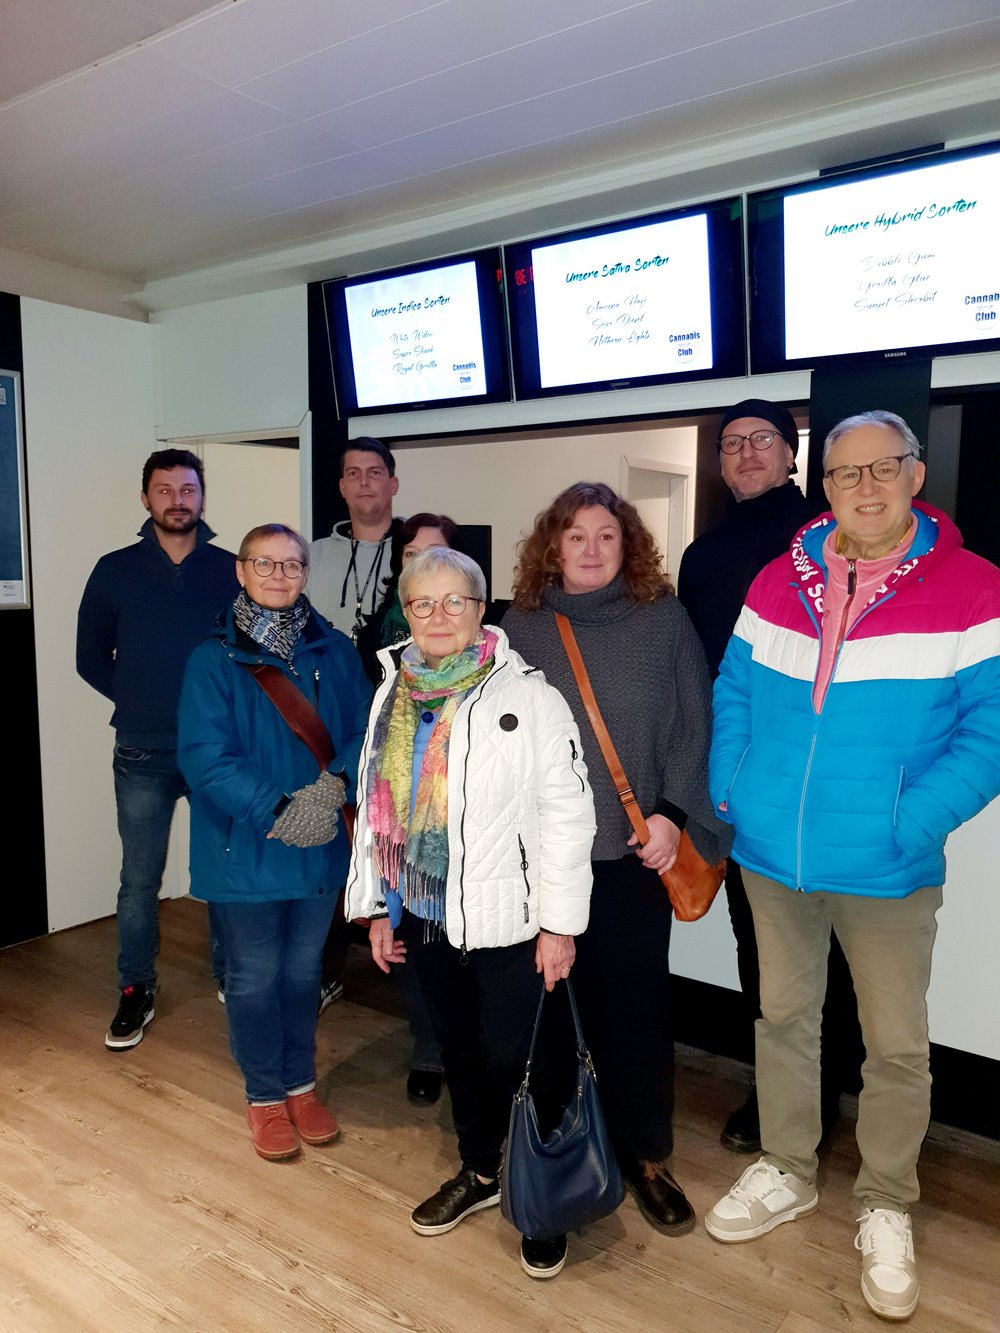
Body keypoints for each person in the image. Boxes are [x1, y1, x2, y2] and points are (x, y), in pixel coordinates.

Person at [705, 411, 1000, 1321]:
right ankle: (788, 1167)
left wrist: (912, 820)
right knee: (784, 1018)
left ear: (915, 474)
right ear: (823, 484)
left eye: (882, 468)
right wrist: (733, 787)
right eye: (845, 473)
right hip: (773, 855)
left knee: (895, 1044)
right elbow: (734, 688)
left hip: (886, 865)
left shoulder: (975, 587)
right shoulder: (777, 577)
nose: (864, 487)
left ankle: (886, 1201)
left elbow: (990, 731)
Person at [345, 547, 595, 1279]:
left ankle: (545, 1198)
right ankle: (482, 1169)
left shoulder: (531, 698)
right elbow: (379, 811)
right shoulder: (392, 694)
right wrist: (378, 907)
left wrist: (559, 925)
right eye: (422, 603)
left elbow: (566, 815)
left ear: (481, 610)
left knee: (524, 1060)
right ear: (407, 613)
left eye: (454, 601)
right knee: (458, 1051)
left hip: (510, 918)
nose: (438, 616)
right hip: (426, 913)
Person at [504, 481, 730, 1239]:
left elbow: (695, 723)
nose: (592, 549)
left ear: (627, 544)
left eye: (607, 535)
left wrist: (672, 816)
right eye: (576, 535)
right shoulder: (520, 626)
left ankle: (643, 1153)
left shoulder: (662, 619)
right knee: (552, 1010)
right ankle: (558, 1146)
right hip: (543, 861)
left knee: (634, 1010)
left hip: (633, 855)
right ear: (553, 545)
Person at [677, 399, 858, 1155]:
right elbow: (696, 676)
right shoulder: (702, 555)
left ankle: (825, 1092)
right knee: (760, 946)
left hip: (826, 776)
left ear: (792, 454)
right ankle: (778, 1091)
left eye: (763, 440)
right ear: (720, 463)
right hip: (742, 783)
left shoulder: (833, 537)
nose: (747, 452)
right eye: (732, 443)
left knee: (834, 947)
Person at [177, 524, 369, 1160]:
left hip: (319, 846)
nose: (279, 575)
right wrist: (279, 808)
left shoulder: (335, 651)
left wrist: (333, 787)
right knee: (254, 977)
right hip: (246, 847)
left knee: (302, 973)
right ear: (241, 571)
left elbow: (365, 731)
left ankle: (300, 1086)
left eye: (292, 565)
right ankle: (264, 1096)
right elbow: (205, 757)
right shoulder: (212, 660)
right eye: (265, 563)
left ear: (305, 573)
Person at [76, 448, 238, 1051]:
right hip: (142, 751)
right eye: (165, 490)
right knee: (139, 879)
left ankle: (231, 973)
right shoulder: (114, 569)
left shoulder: (230, 569)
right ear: (145, 498)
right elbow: (89, 657)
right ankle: (135, 987)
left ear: (202, 496)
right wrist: (140, 698)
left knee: (223, 870)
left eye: (187, 489)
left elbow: (248, 653)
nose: (177, 500)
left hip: (216, 750)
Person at [308, 437, 402, 643]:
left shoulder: (419, 552)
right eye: (353, 473)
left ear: (393, 485)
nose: (364, 482)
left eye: (374, 473)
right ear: (342, 487)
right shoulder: (309, 556)